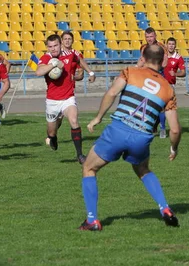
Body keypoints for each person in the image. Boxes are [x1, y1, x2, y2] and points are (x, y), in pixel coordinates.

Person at [79, 44, 181, 231]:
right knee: (143, 170)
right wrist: (174, 148)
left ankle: (92, 220)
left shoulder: (129, 72)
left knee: (89, 168)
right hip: (142, 137)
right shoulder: (168, 89)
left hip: (118, 130)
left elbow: (111, 93)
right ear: (163, 60)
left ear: (143, 56)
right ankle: (165, 208)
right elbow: (174, 129)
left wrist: (98, 118)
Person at [35, 34, 86, 164]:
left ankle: (80, 155)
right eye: (50, 46)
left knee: (74, 121)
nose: (53, 49)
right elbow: (39, 72)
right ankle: (53, 137)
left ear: (60, 44)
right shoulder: (46, 58)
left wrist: (89, 72)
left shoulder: (69, 54)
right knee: (51, 131)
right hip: (52, 101)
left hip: (68, 98)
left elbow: (79, 60)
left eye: (56, 45)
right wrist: (54, 64)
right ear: (47, 47)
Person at [158, 37, 186, 138]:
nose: (171, 46)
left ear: (175, 45)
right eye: (169, 44)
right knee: (160, 108)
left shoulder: (178, 58)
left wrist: (175, 73)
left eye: (173, 44)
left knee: (169, 108)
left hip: (170, 86)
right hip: (159, 85)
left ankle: (169, 128)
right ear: (166, 45)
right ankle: (162, 128)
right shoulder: (161, 56)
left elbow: (183, 72)